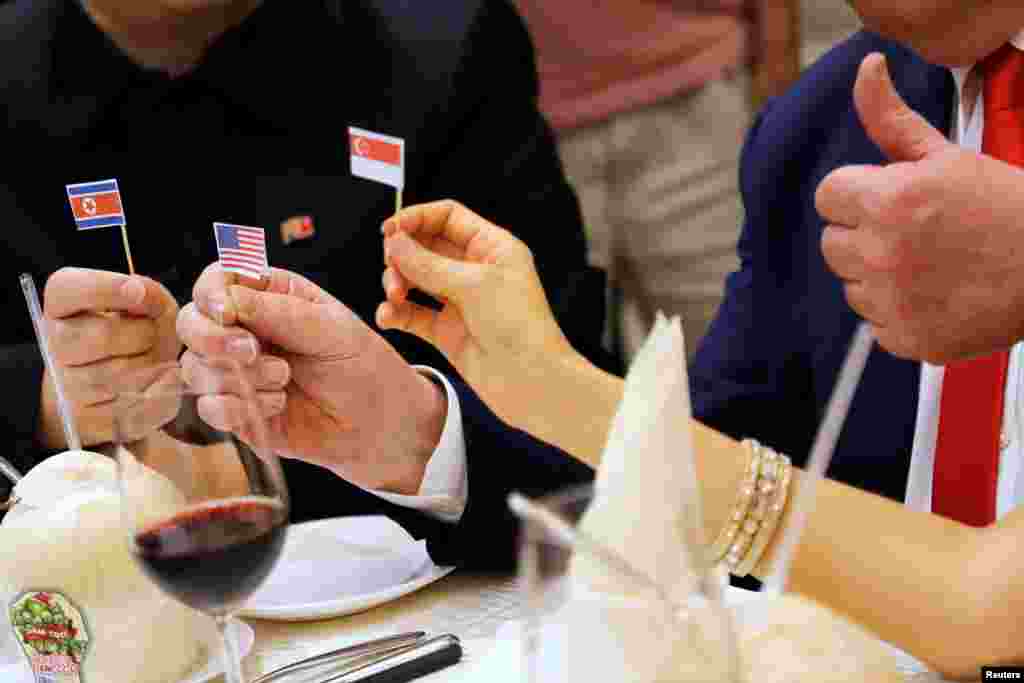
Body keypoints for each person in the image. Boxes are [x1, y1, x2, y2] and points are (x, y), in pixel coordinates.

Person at [0, 0, 606, 527]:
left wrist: (416, 432)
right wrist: (47, 405)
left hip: (438, 577)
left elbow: (582, 420)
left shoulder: (440, 42)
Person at [511, 0, 793, 361]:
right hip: (518, 121)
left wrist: (779, 76)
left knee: (747, 364)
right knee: (537, 374)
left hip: (694, 93)